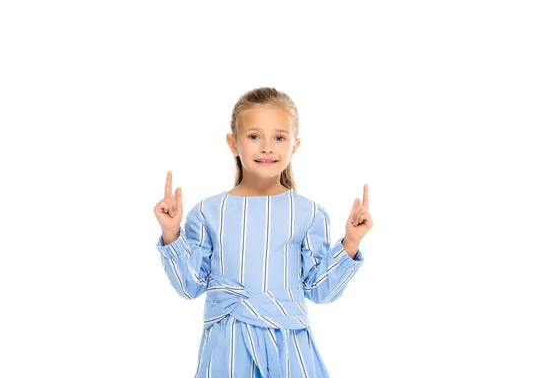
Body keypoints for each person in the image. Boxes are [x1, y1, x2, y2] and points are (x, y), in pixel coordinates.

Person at [153, 87, 374, 377]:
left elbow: (320, 291)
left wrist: (351, 240)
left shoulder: (308, 213)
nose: (267, 147)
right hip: (227, 344)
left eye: (279, 137)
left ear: (294, 146)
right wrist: (171, 233)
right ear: (233, 143)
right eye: (254, 136)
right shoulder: (208, 211)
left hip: (289, 345)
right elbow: (188, 286)